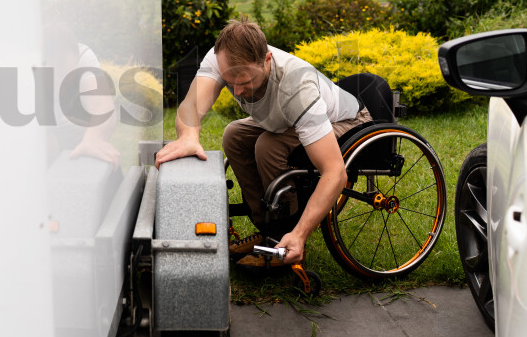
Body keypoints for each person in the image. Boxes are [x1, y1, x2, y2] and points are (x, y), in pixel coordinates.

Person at [154, 18, 372, 271]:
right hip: (286, 118)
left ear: (267, 60)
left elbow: (335, 172)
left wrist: (301, 234)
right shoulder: (221, 56)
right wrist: (188, 137)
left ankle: (285, 236)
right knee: (233, 134)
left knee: (269, 147)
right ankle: (266, 228)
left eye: (244, 82)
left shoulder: (296, 86)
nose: (236, 91)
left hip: (346, 121)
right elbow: (191, 106)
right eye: (229, 82)